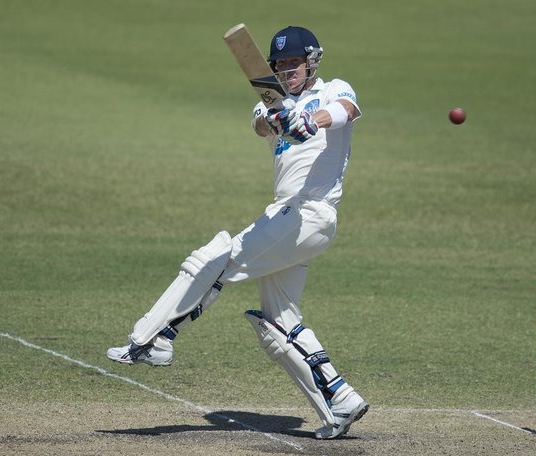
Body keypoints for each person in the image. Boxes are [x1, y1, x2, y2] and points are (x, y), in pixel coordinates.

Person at [106, 25, 367, 439]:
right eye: (278, 65)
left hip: (309, 214)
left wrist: (311, 121)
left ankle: (155, 338)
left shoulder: (334, 89)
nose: (286, 71)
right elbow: (263, 124)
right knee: (278, 322)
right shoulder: (270, 105)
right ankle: (340, 400)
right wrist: (280, 118)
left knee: (216, 258)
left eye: (293, 63)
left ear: (311, 61)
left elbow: (346, 111)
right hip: (287, 219)